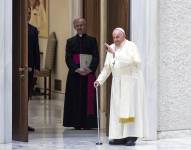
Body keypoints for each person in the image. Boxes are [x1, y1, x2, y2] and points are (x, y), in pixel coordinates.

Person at [94, 28, 148, 146]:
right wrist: (99, 80)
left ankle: (131, 136)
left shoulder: (131, 46)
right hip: (117, 83)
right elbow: (107, 68)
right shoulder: (112, 48)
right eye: (114, 37)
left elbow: (133, 61)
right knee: (117, 110)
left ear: (124, 36)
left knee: (129, 109)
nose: (115, 39)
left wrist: (115, 53)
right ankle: (119, 136)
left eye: (118, 37)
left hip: (130, 83)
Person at [63, 18, 99, 130]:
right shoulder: (70, 41)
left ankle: (88, 123)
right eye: (77, 25)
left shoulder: (92, 40)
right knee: (75, 98)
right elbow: (68, 58)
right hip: (75, 75)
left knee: (87, 98)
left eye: (82, 25)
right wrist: (76, 69)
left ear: (85, 26)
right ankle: (76, 122)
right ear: (75, 27)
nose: (80, 27)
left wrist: (90, 69)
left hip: (88, 75)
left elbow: (96, 56)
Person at [28, 7, 40, 131]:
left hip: (30, 67)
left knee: (26, 96)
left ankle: (23, 123)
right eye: (26, 12)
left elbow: (36, 49)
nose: (28, 15)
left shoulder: (33, 30)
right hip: (17, 68)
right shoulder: (14, 28)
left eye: (29, 13)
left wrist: (37, 67)